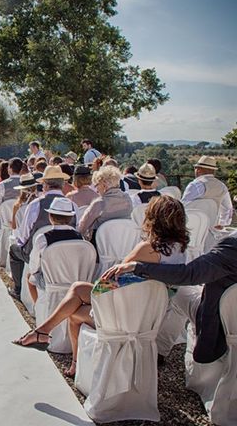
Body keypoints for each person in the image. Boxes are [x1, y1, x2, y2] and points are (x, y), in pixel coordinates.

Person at [14, 196, 189, 376]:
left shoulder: (148, 248)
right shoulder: (181, 249)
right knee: (77, 299)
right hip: (151, 315)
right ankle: (46, 336)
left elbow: (109, 282)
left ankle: (57, 346)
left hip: (126, 314)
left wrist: (93, 293)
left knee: (76, 300)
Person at [102, 210, 235, 365]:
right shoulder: (179, 247)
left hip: (226, 321)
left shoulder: (232, 247)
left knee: (179, 291)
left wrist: (137, 266)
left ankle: (158, 351)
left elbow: (189, 274)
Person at [8, 166, 75, 300]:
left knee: (13, 250)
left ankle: (18, 289)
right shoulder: (73, 206)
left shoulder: (35, 204)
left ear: (45, 184)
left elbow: (23, 236)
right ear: (62, 184)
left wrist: (21, 244)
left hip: (38, 255)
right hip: (67, 256)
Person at [26, 197, 83, 303]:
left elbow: (34, 266)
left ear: (50, 217)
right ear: (70, 218)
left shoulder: (43, 238)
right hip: (74, 280)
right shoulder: (79, 237)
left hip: (51, 282)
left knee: (30, 277)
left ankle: (38, 307)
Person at [77, 165, 133, 244]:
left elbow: (81, 228)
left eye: (97, 185)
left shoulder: (100, 204)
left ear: (104, 185)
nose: (96, 190)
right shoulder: (128, 200)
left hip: (102, 247)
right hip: (124, 245)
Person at [0, 157, 26, 255]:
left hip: (4, 220)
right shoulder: (26, 183)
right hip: (21, 221)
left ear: (10, 169)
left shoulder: (2, 185)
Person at [181, 155, 233, 227]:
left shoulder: (195, 185)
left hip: (193, 226)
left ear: (199, 169)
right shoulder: (222, 186)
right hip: (212, 228)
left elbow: (183, 207)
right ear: (213, 171)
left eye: (195, 168)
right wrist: (221, 223)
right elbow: (228, 209)